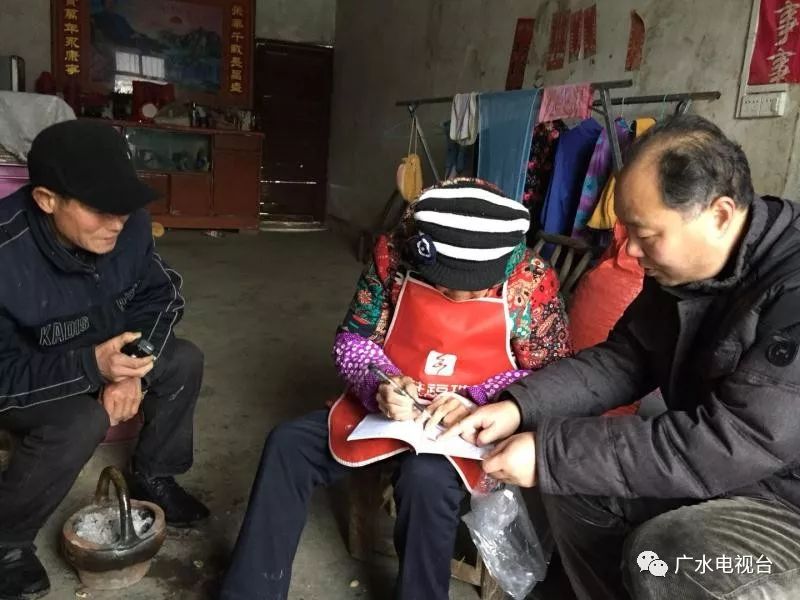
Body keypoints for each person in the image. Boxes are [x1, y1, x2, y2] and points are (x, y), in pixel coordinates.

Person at [444, 115, 800, 600]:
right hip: (724, 470)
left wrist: (551, 453)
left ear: (719, 214)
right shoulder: (681, 272)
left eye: (645, 233)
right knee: (574, 482)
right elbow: (626, 357)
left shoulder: (791, 290)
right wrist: (517, 406)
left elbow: (733, 441)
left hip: (784, 503)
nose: (630, 249)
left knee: (669, 558)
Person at [220, 178, 572, 600]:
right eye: (446, 283)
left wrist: (479, 399)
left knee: (426, 480)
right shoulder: (393, 255)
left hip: (473, 427)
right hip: (391, 411)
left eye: (476, 287)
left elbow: (553, 374)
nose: (459, 298)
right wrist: (379, 384)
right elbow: (353, 338)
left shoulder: (531, 278)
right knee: (288, 444)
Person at [0, 120, 208, 599]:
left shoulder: (127, 225)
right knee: (81, 420)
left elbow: (160, 296)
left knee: (183, 360)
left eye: (123, 205)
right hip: (34, 373)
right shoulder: (6, 254)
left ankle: (154, 474)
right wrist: (91, 367)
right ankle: (7, 541)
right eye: (99, 209)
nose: (117, 222)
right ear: (47, 200)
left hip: (107, 347)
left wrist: (130, 366)